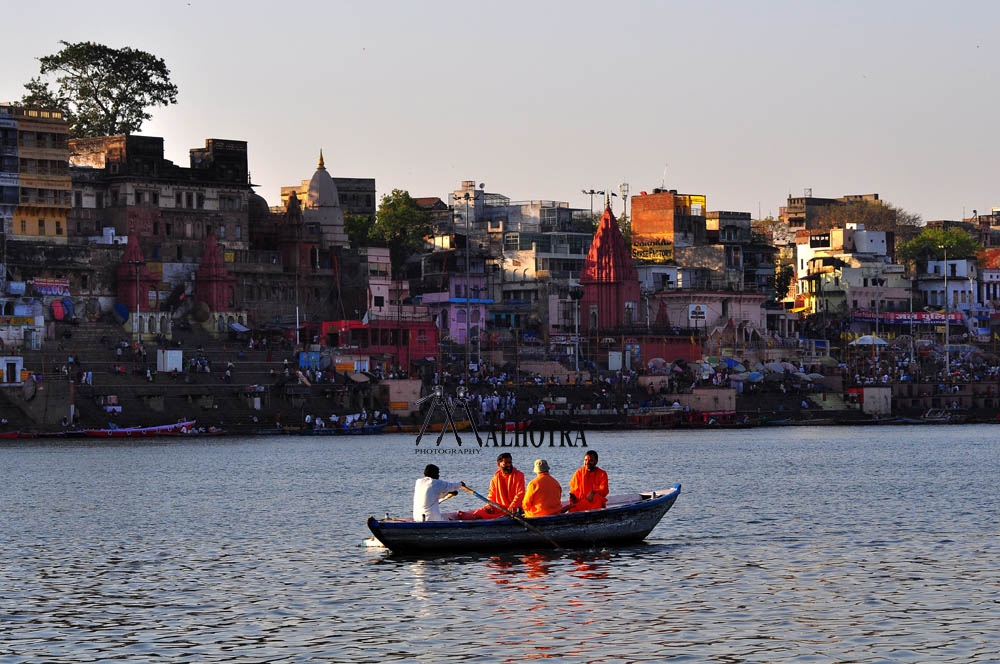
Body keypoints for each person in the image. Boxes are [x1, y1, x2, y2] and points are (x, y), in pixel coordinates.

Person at [456, 453, 525, 520]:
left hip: (514, 509)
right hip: (498, 508)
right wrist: (489, 505)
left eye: (510, 462)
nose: (509, 465)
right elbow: (491, 496)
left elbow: (521, 493)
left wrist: (513, 505)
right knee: (482, 512)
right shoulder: (495, 479)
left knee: (502, 515)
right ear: (499, 464)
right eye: (506, 463)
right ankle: (474, 516)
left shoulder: (519, 475)